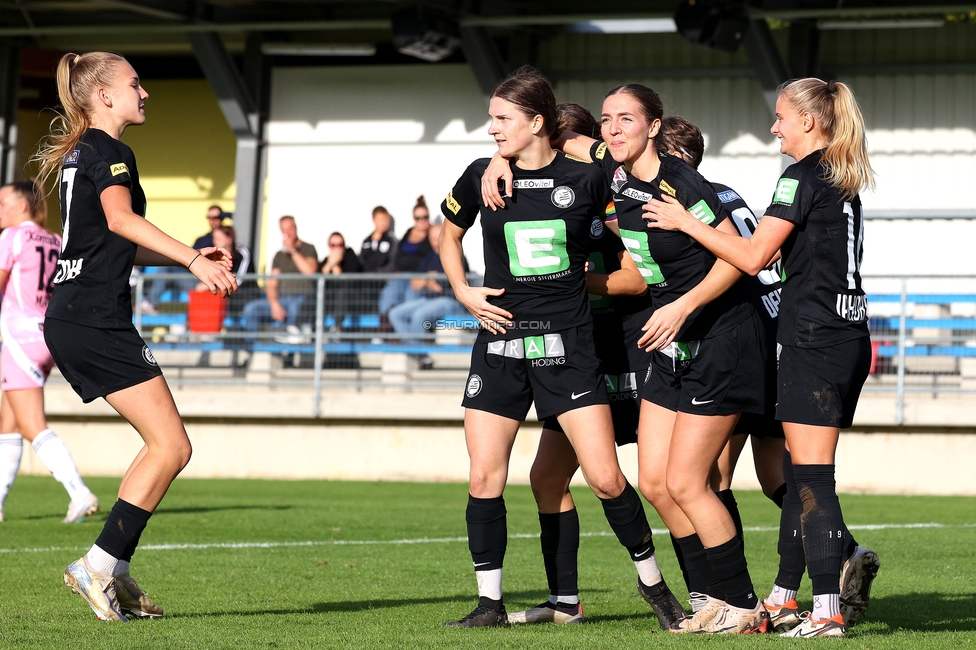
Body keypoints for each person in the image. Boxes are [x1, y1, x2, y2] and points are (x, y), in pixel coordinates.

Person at [483, 84, 770, 634]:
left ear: (654, 127)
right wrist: (499, 157)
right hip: (670, 345)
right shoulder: (613, 177)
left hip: (717, 338)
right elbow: (551, 136)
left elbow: (740, 258)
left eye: (626, 120)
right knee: (658, 484)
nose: (613, 130)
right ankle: (709, 598)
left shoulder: (681, 183)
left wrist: (682, 300)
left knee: (689, 482)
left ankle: (745, 604)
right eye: (607, 121)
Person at [644, 78, 880, 638]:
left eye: (779, 117)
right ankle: (784, 595)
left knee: (812, 480)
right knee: (797, 473)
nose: (773, 127)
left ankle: (826, 613)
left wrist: (686, 223)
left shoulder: (801, 176)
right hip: (845, 335)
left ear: (808, 121)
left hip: (815, 339)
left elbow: (752, 257)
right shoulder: (840, 177)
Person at [440, 67, 664, 630]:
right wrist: (463, 291)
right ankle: (489, 603)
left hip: (569, 348)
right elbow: (447, 234)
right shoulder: (479, 175)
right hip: (498, 346)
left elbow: (621, 167)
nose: (491, 130)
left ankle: (656, 591)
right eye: (491, 119)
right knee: (483, 477)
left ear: (538, 122)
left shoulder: (589, 179)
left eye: (502, 120)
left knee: (607, 477)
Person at [33, 51, 237, 622]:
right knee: (173, 447)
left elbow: (115, 237)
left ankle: (114, 570)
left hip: (75, 313)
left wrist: (184, 260)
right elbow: (122, 221)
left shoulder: (85, 152)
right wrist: (196, 259)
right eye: (134, 84)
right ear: (102, 95)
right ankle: (96, 567)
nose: (143, 93)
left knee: (159, 445)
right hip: (93, 316)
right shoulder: (111, 150)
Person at [502, 103, 685, 629]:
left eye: (566, 143)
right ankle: (565, 603)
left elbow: (640, 278)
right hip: (573, 346)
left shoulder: (611, 191)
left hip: (627, 345)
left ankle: (687, 591)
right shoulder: (533, 184)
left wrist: (562, 284)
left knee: (651, 480)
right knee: (545, 478)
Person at [656, 115, 789, 616]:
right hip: (773, 333)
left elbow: (738, 262)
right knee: (774, 474)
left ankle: (735, 597)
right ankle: (830, 558)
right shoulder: (726, 192)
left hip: (739, 338)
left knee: (708, 479)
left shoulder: (690, 204)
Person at [0, 180, 99, 524]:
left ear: (22, 206)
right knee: (9, 424)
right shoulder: (56, 239)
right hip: (47, 336)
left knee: (31, 425)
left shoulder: (12, 237)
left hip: (19, 337)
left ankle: (78, 491)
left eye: (2, 203)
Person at [387, 222, 468, 339]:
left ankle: (419, 351)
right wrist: (428, 280)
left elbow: (440, 287)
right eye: (432, 238)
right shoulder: (429, 258)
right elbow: (415, 284)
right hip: (428, 299)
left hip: (450, 301)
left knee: (419, 315)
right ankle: (416, 349)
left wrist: (425, 280)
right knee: (395, 314)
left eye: (437, 237)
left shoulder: (455, 255)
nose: (435, 241)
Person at [241, 215, 317, 334]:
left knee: (295, 308)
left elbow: (310, 272)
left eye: (290, 228)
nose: (288, 233)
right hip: (282, 299)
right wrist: (275, 304)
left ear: (296, 228)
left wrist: (293, 250)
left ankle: (291, 344)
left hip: (302, 298)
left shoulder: (308, 248)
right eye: (284, 230)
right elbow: (272, 284)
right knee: (251, 309)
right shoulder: (279, 256)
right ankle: (252, 347)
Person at [142, 204, 225, 313]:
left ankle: (151, 303)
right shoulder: (201, 240)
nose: (213, 220)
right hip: (190, 275)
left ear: (222, 218)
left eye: (216, 217)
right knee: (166, 264)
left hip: (203, 281)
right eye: (210, 217)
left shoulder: (226, 237)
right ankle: (149, 301)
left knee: (164, 270)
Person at [376, 196, 433, 321]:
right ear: (414, 219)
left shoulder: (432, 235)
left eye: (425, 217)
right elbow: (398, 254)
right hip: (401, 275)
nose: (422, 221)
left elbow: (431, 258)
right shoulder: (409, 232)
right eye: (418, 218)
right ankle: (384, 329)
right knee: (389, 294)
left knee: (410, 297)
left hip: (418, 276)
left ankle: (408, 332)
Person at [318, 231, 363, 331]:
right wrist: (330, 264)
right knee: (313, 294)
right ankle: (301, 327)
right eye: (333, 245)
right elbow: (319, 280)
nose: (337, 248)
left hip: (350, 301)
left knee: (342, 292)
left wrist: (335, 265)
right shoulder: (326, 260)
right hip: (329, 300)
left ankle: (337, 326)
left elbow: (345, 282)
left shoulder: (351, 258)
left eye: (340, 245)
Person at [359, 206, 397, 273]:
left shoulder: (392, 241)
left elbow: (392, 263)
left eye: (386, 219)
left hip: (384, 280)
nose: (383, 223)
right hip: (366, 281)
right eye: (380, 219)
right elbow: (361, 261)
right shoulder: (366, 241)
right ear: (374, 220)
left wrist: (377, 273)